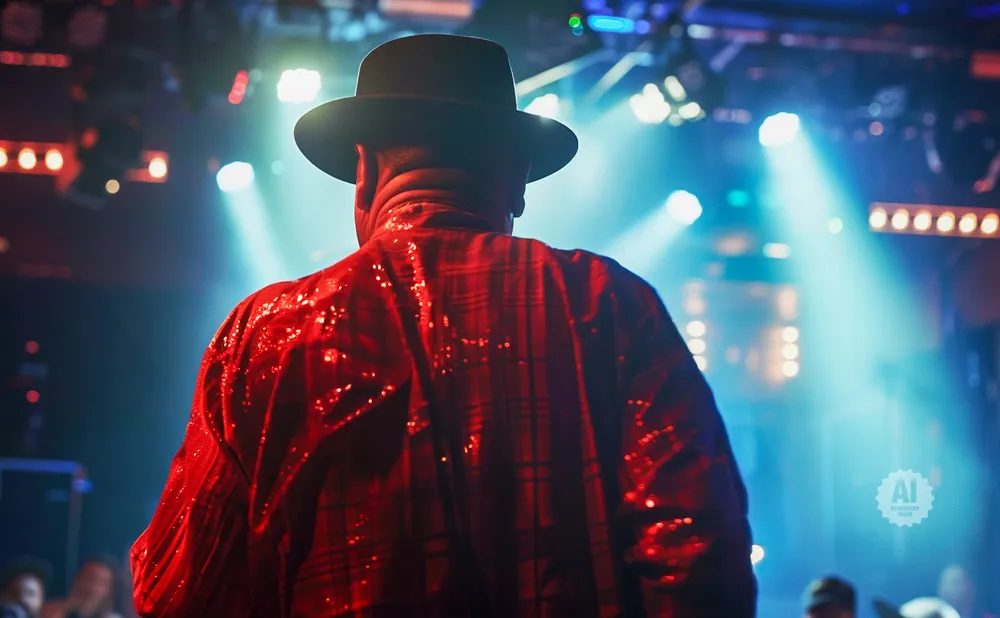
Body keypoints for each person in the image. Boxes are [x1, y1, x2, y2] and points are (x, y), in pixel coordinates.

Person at [131, 34, 756, 617]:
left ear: (364, 173)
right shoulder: (606, 303)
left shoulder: (265, 332)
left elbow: (182, 592)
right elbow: (697, 551)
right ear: (516, 180)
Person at [41, 557, 123, 618]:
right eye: (87, 579)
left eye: (99, 583)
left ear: (110, 591)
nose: (91, 588)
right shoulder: (53, 610)